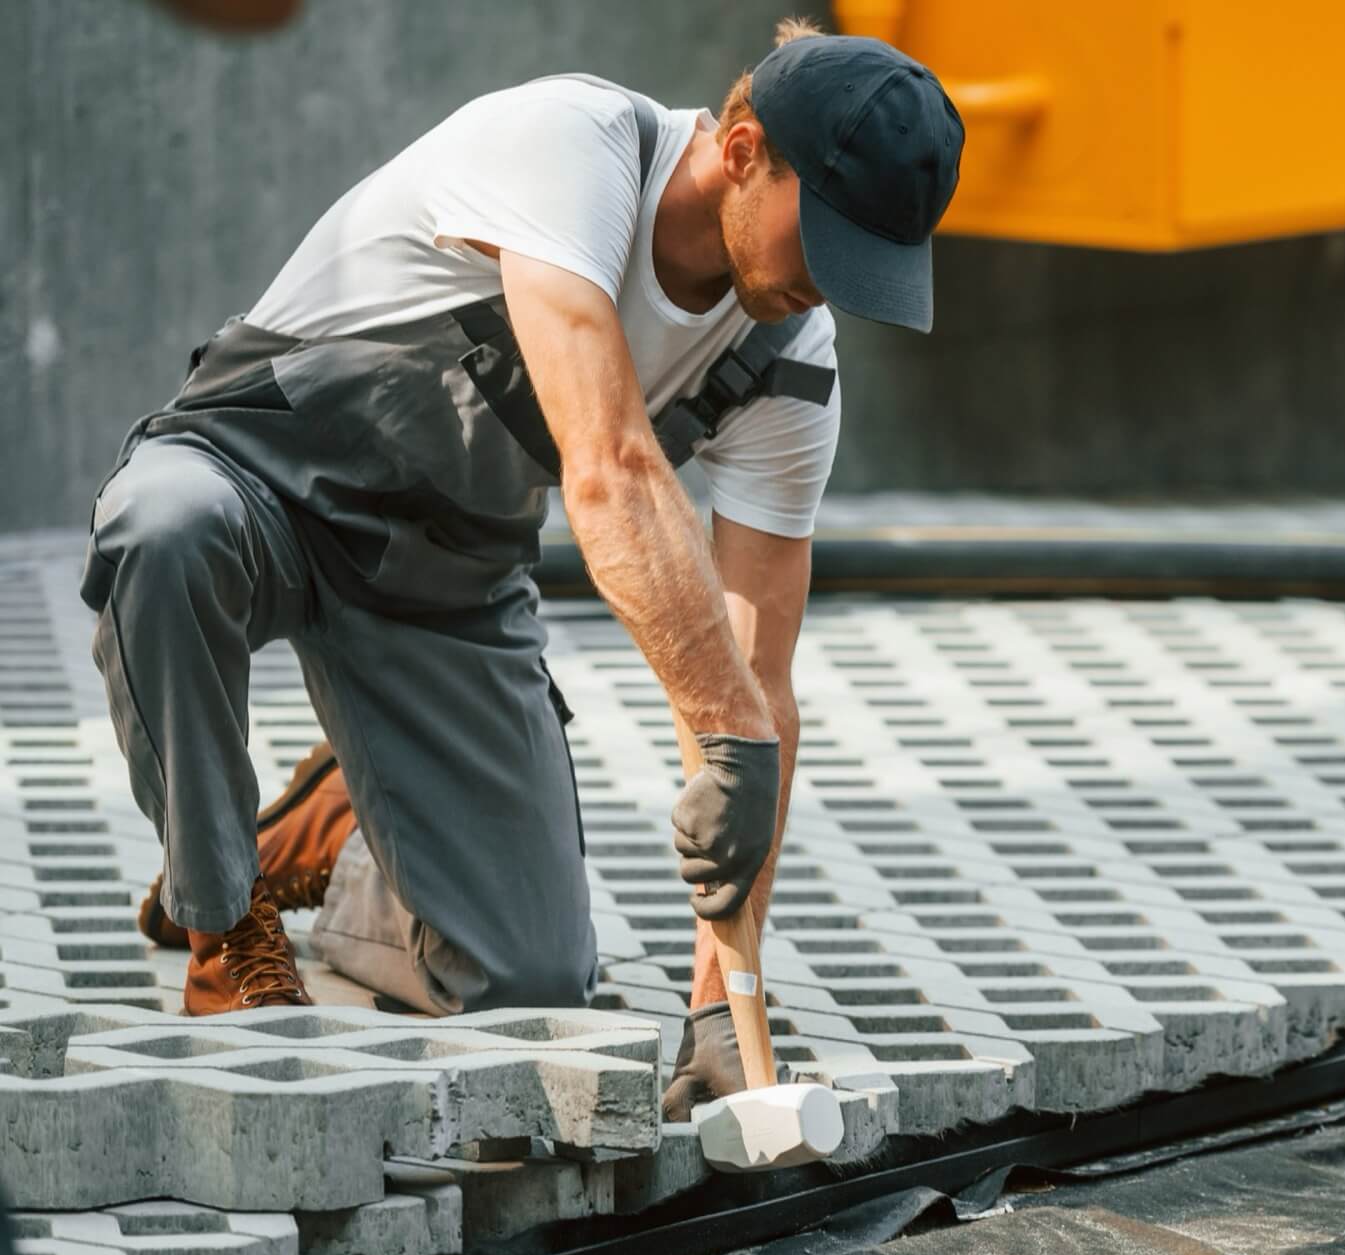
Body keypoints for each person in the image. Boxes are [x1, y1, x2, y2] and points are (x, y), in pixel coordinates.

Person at [79, 17, 963, 1118]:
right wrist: (729, 728)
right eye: (824, 242)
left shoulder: (785, 359)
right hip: (255, 481)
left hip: (441, 578)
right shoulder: (569, 147)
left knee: (527, 983)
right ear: (741, 150)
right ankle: (222, 916)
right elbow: (607, 470)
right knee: (161, 526)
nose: (830, 290)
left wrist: (718, 1002)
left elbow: (755, 679)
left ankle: (341, 832)